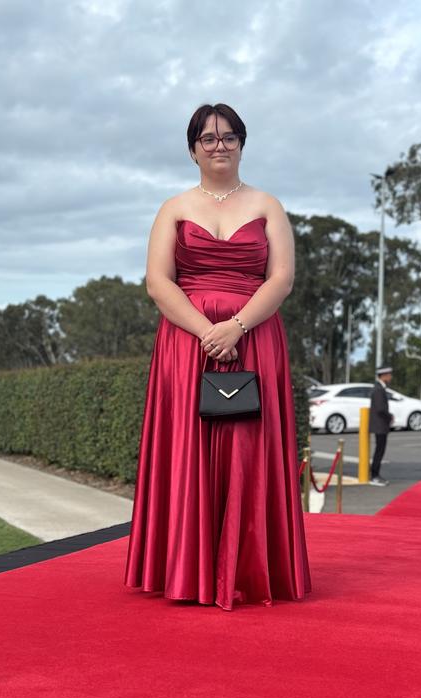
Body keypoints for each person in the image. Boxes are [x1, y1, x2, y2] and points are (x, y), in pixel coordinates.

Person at [123, 103, 311, 611]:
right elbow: (158, 281)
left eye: (228, 137)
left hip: (255, 338)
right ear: (192, 150)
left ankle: (248, 569)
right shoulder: (174, 208)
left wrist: (237, 326)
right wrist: (209, 332)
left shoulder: (268, 205)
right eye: (207, 138)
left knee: (249, 448)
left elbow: (281, 279)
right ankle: (187, 569)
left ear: (242, 144)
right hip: (188, 344)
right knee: (189, 448)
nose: (219, 145)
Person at [369, 365, 394, 486]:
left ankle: (375, 474)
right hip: (380, 425)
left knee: (379, 450)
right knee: (379, 451)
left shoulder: (379, 388)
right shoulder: (379, 389)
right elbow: (380, 409)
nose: (390, 377)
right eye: (389, 375)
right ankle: (374, 476)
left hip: (380, 424)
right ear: (383, 376)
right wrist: (390, 416)